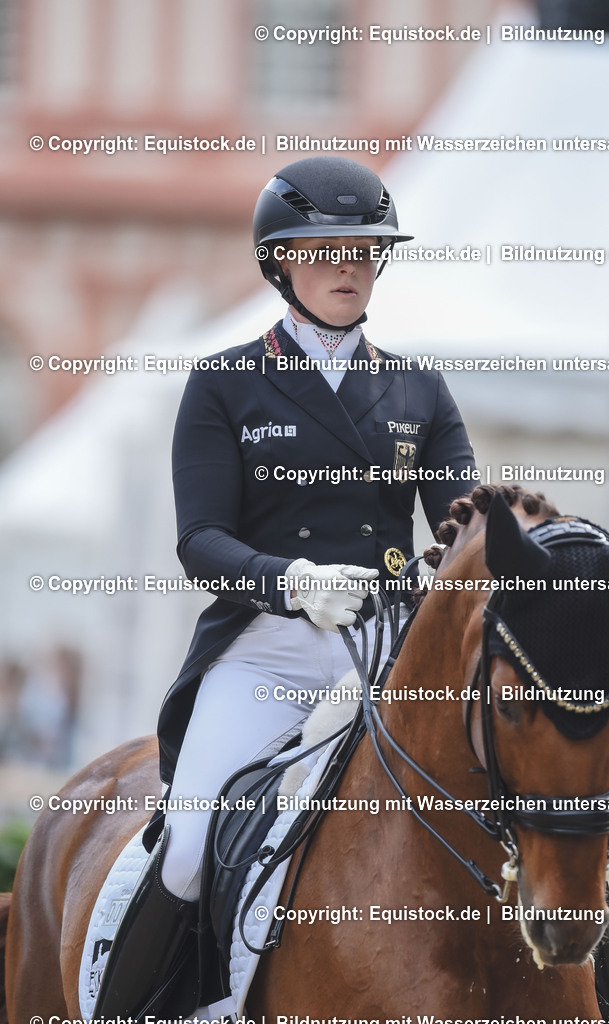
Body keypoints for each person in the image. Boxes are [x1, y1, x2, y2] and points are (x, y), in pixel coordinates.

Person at [94, 156, 476, 1019]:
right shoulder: (223, 382)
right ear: (280, 262)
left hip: (386, 657)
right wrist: (290, 580)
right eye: (326, 249)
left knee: (512, 822)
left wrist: (492, 538)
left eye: (367, 251)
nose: (349, 268)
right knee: (190, 846)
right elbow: (200, 541)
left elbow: (460, 519)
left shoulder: (418, 387)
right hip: (266, 649)